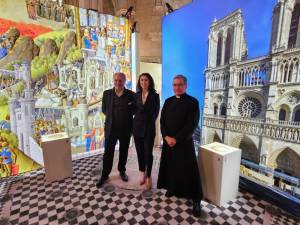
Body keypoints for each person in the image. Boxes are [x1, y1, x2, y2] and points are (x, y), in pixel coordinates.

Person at [157, 75, 203, 217]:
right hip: (169, 142)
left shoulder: (193, 102)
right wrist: (165, 136)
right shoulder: (168, 101)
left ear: (185, 86)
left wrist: (176, 139)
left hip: (183, 143)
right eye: (174, 85)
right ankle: (173, 188)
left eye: (180, 85)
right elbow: (162, 121)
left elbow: (192, 125)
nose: (177, 87)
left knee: (190, 171)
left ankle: (196, 200)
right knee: (171, 166)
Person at [96, 72, 134, 188]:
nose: (118, 82)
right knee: (108, 153)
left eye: (120, 80)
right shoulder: (107, 93)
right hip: (111, 129)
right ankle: (104, 175)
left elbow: (134, 110)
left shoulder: (131, 95)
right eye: (116, 80)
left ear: (124, 81)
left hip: (125, 129)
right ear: (113, 80)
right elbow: (104, 109)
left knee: (124, 151)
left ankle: (122, 171)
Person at [133, 73, 160, 190]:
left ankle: (149, 176)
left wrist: (148, 120)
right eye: (142, 80)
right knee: (139, 152)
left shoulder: (155, 95)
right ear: (139, 82)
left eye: (146, 80)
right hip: (137, 127)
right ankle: (142, 173)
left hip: (149, 128)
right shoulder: (136, 95)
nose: (143, 82)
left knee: (148, 153)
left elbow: (156, 112)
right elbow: (133, 109)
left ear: (150, 82)